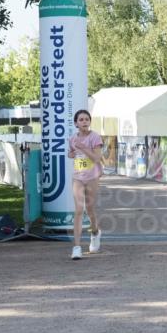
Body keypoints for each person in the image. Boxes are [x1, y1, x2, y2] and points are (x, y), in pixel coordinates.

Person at [67, 109, 103, 260]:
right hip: (78, 178)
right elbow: (70, 153)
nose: (84, 122)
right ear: (76, 123)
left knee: (90, 210)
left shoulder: (95, 137)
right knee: (79, 210)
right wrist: (71, 154)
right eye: (81, 120)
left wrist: (83, 148)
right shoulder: (72, 139)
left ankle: (95, 232)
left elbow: (96, 158)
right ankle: (76, 247)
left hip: (92, 177)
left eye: (87, 119)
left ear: (90, 122)